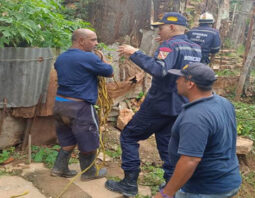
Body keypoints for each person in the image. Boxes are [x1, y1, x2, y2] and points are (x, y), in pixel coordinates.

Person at [105, 12, 202, 196]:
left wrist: (136, 53)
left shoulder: (170, 45)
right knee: (167, 145)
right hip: (180, 105)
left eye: (161, 27)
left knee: (129, 136)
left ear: (172, 27)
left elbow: (159, 69)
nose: (159, 31)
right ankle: (173, 188)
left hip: (160, 104)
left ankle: (129, 183)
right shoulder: (195, 47)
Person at [154, 62, 242, 198]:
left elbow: (190, 160)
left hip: (204, 189)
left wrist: (166, 193)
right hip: (227, 179)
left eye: (180, 78)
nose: (177, 80)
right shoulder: (223, 102)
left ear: (190, 84)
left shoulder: (195, 117)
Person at [51, 29, 113, 181]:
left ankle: (59, 169)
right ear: (80, 40)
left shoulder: (61, 58)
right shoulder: (88, 58)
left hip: (60, 105)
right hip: (80, 107)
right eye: (93, 40)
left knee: (67, 139)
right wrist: (103, 58)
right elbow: (109, 72)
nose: (96, 43)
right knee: (90, 140)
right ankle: (89, 173)